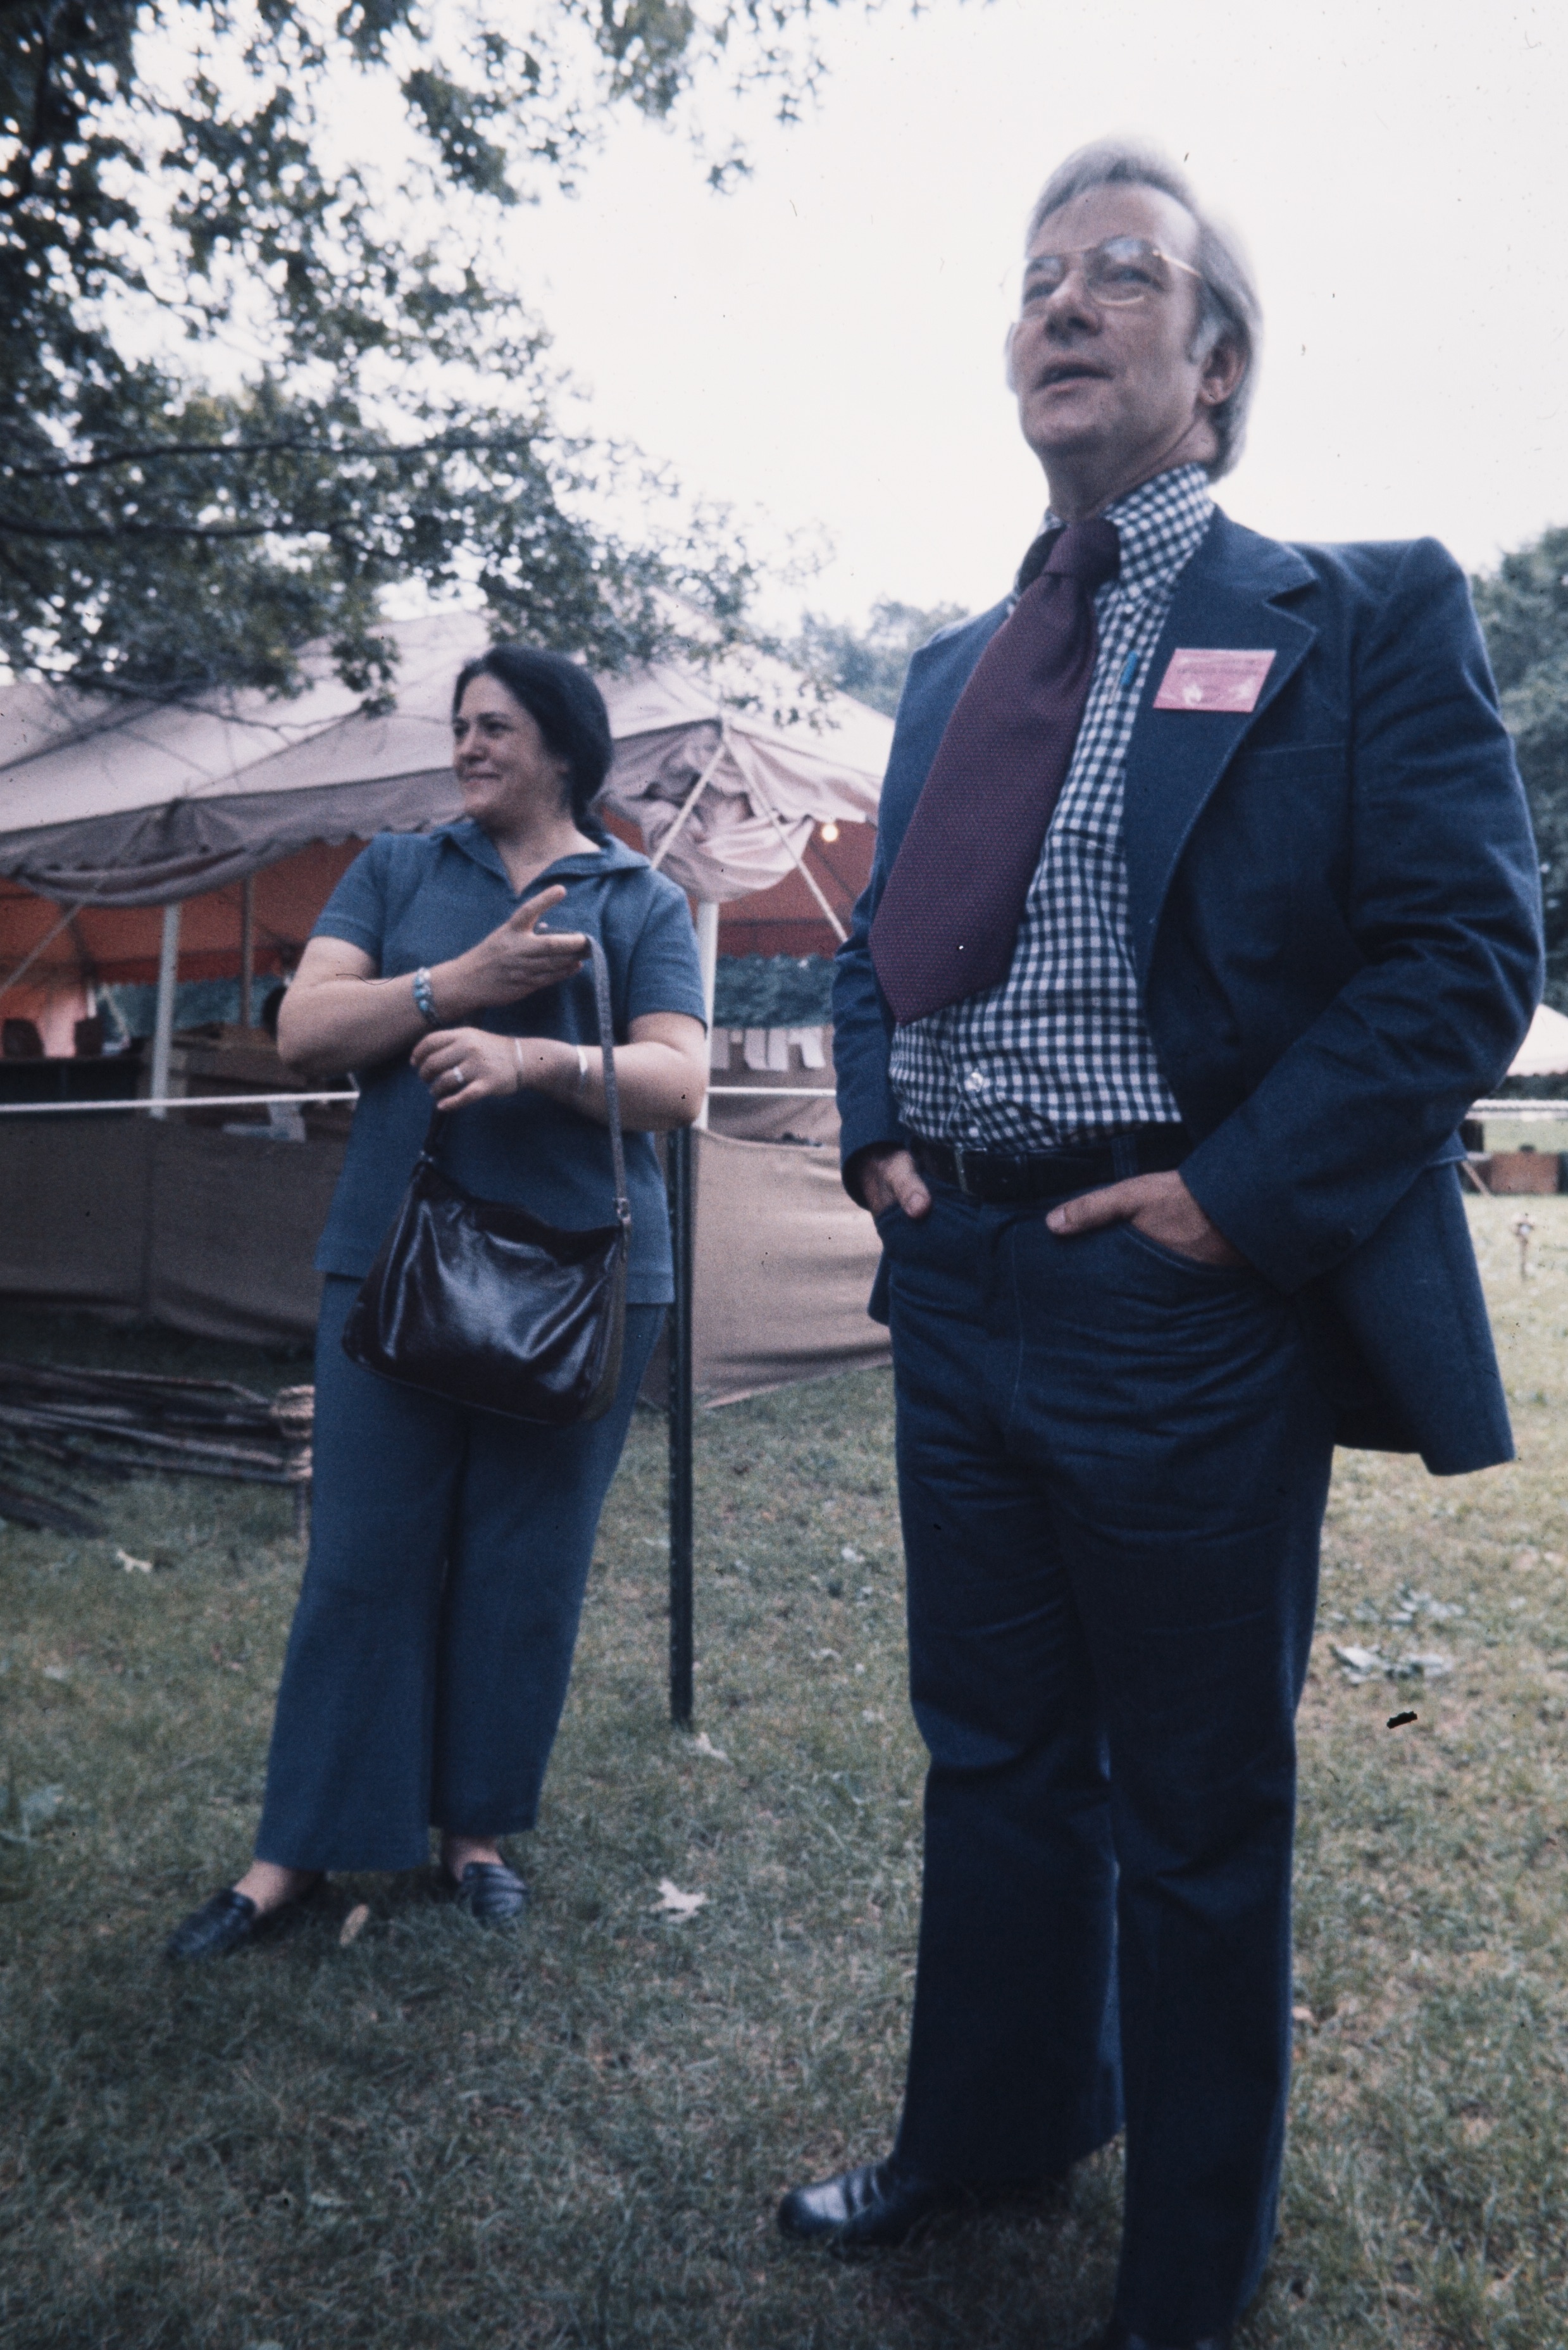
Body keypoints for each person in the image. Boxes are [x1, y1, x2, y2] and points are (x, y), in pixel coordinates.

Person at [778, 144, 1541, 2350]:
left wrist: (1225, 1202)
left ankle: (1181, 2276)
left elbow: (1453, 952)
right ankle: (992, 2128)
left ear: (1210, 371)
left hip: (1172, 1295)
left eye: (1120, 275)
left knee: (1192, 1806)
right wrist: (874, 1142)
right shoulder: (949, 671)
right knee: (992, 1752)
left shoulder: (1352, 609)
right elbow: (874, 955)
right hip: (962, 1287)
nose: (1060, 306)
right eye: (1032, 279)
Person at [167, 645, 707, 1959]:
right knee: (360, 1561)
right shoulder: (395, 869)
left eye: (495, 728)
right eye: (460, 726)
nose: (466, 747)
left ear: (563, 748)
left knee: (524, 1568)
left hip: (584, 1280)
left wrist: (533, 1057)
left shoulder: (638, 896)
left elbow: (678, 1084)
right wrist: (456, 989)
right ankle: (291, 1853)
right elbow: (305, 1031)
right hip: (391, 1263)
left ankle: (475, 1836)